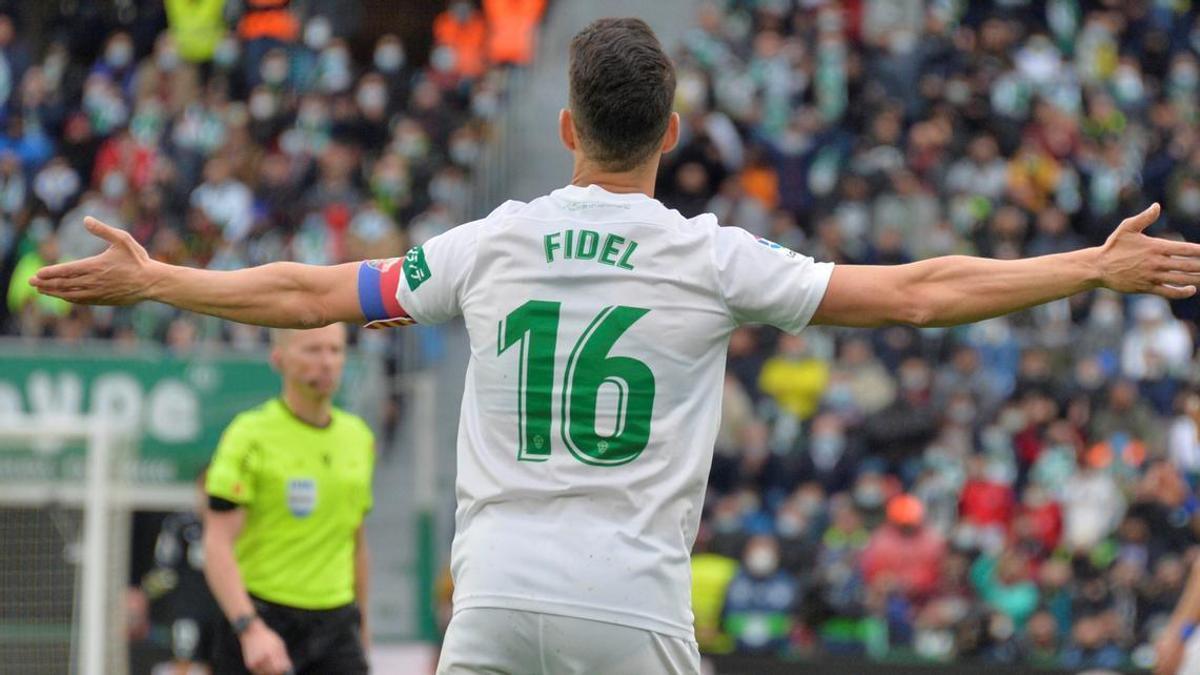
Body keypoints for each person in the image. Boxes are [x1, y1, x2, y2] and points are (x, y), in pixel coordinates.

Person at [29, 17, 1200, 674]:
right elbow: (917, 294)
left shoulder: (492, 244)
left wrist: (159, 278)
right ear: (675, 134)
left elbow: (305, 290)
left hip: (491, 599)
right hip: (632, 606)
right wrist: (1088, 265)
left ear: (566, 128)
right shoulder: (714, 259)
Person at [202, 324, 375, 675]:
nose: (326, 362)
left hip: (336, 624)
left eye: (335, 350)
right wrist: (249, 629)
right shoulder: (248, 434)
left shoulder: (358, 437)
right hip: (262, 617)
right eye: (312, 350)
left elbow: (356, 541)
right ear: (278, 358)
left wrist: (364, 628)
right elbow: (216, 544)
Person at [140, 468, 222, 674]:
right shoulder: (180, 524)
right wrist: (145, 596)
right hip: (188, 612)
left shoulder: (236, 525)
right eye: (206, 489)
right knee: (186, 662)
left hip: (226, 612)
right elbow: (163, 571)